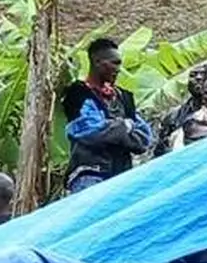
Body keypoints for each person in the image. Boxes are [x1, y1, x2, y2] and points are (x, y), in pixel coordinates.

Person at [62, 38, 153, 193]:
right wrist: (126, 125)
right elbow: (88, 131)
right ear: (97, 62)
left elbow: (144, 139)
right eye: (114, 63)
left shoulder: (124, 97)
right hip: (90, 176)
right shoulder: (78, 94)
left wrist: (113, 129)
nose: (118, 69)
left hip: (122, 177)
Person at [154, 63, 207, 157]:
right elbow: (160, 151)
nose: (198, 78)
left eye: (203, 74)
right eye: (193, 75)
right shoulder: (173, 116)